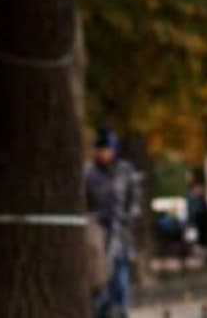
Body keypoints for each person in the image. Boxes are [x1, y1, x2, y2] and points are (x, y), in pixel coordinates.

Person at [84, 132, 144, 318]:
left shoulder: (125, 171)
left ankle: (121, 311)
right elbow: (84, 201)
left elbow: (135, 200)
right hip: (98, 235)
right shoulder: (89, 172)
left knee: (120, 276)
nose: (103, 154)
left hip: (120, 234)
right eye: (100, 150)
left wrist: (126, 216)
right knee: (99, 279)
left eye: (107, 149)